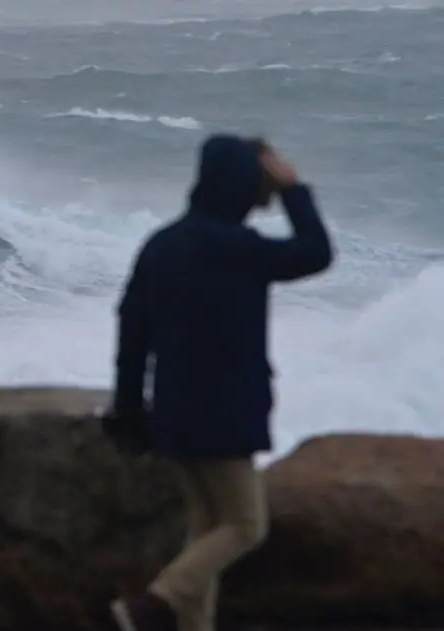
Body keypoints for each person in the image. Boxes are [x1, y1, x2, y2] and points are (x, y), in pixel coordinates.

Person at [104, 134, 334, 631]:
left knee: (206, 530)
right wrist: (293, 189)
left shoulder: (162, 244)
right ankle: (152, 604)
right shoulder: (240, 248)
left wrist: (128, 408)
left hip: (172, 412)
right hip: (225, 416)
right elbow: (316, 252)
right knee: (246, 526)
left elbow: (132, 330)